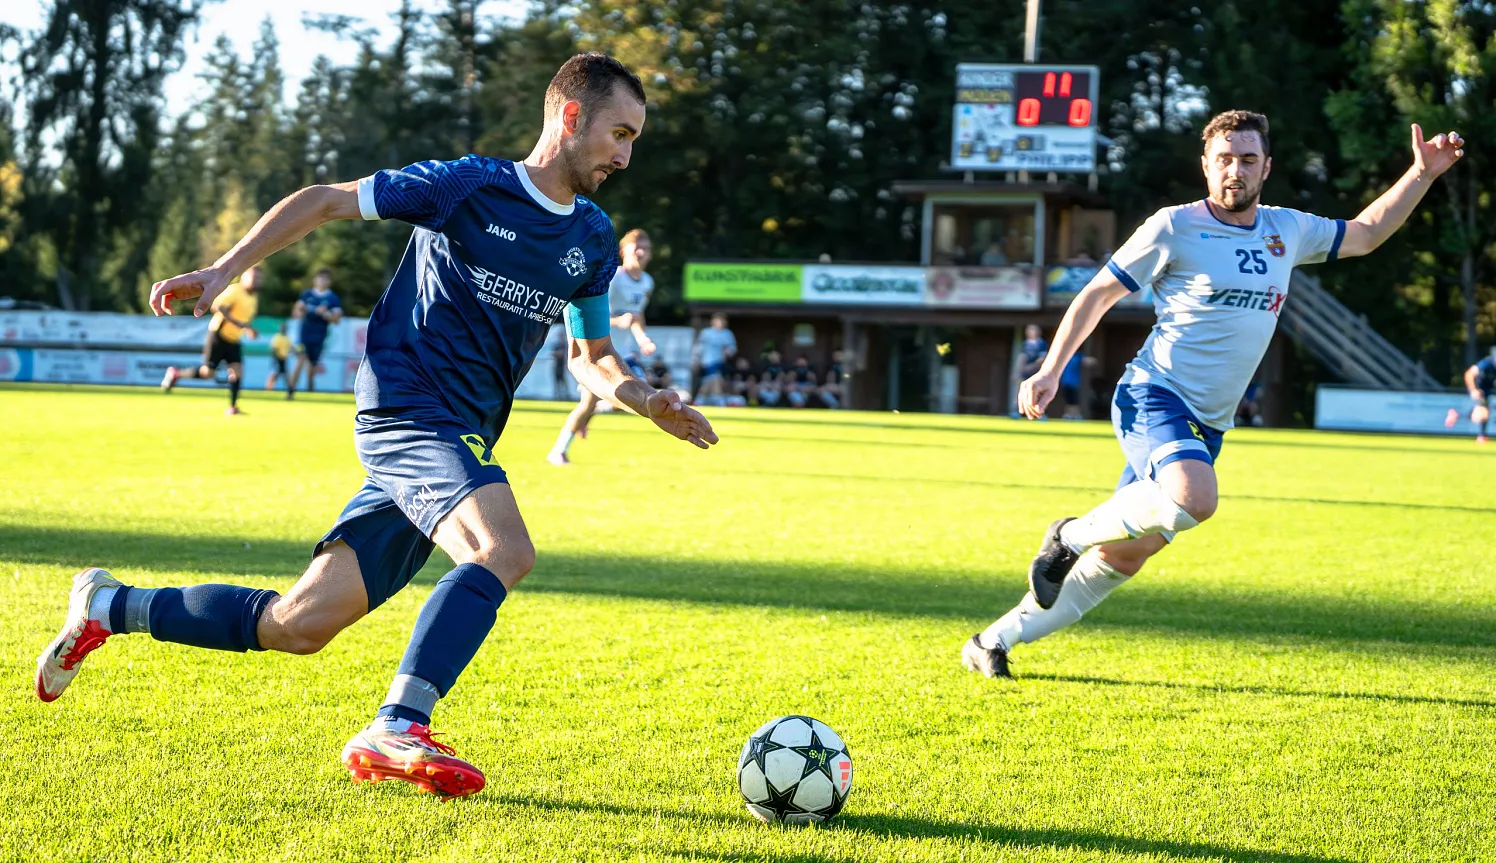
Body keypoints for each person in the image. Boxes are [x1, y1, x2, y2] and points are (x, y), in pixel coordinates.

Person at [36, 53, 718, 799]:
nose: (625, 155)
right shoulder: (470, 186)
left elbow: (593, 358)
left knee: (296, 624)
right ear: (572, 116)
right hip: (407, 410)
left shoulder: (590, 237)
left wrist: (648, 400)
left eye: (635, 140)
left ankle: (107, 605)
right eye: (619, 133)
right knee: (502, 548)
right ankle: (399, 721)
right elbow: (327, 200)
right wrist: (224, 270)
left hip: (457, 440)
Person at [962, 111, 1464, 679]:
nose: (1235, 170)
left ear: (1266, 167)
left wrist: (1421, 174)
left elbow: (1367, 233)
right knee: (1195, 499)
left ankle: (991, 640)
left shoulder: (1286, 229)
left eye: (1248, 159)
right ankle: (1067, 535)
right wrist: (1052, 368)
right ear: (1205, 165)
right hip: (1155, 393)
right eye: (1224, 158)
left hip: (1211, 422)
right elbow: (1098, 292)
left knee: (1125, 554)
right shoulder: (1172, 227)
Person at [548, 228, 655, 465]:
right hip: (597, 349)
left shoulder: (647, 282)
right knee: (591, 402)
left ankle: (589, 414)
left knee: (635, 396)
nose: (641, 251)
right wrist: (618, 321)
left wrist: (642, 339)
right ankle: (558, 450)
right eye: (636, 246)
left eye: (646, 248)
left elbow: (637, 316)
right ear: (623, 251)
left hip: (625, 350)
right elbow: (589, 313)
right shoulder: (613, 278)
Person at [160, 265, 263, 415]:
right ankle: (176, 373)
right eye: (253, 277)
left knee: (237, 372)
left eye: (259, 279)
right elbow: (218, 307)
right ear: (244, 277)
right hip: (218, 336)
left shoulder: (253, 298)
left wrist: (248, 329)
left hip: (234, 340)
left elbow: (244, 318)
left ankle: (233, 407)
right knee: (207, 373)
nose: (256, 281)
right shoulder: (235, 290)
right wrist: (241, 325)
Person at [290, 268, 344, 396]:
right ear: (315, 280)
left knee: (312, 366)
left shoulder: (332, 298)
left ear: (329, 282)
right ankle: (290, 390)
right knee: (301, 359)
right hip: (304, 335)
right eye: (320, 278)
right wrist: (302, 310)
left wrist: (325, 314)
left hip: (319, 336)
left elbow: (336, 319)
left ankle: (310, 390)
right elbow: (296, 313)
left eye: (325, 279)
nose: (322, 281)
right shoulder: (307, 295)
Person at [1446, 347, 1496, 444]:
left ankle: (1457, 415)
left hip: (1487, 391)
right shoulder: (1486, 363)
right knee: (1483, 413)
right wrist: (1473, 390)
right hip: (1478, 389)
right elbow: (1469, 374)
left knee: (1482, 414)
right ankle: (1481, 436)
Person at [691, 313, 737, 405]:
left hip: (719, 362)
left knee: (716, 379)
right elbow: (698, 347)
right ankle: (711, 398)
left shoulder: (727, 334)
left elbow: (732, 349)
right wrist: (695, 360)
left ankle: (705, 399)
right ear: (713, 321)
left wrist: (728, 351)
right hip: (706, 363)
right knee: (709, 380)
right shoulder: (706, 333)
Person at [1011, 324, 1047, 418]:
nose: (1030, 332)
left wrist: (1031, 366)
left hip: (1036, 373)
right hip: (1025, 373)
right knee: (1020, 391)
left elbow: (1042, 358)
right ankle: (1017, 411)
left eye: (1032, 330)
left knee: (1037, 392)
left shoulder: (1041, 344)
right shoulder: (1025, 344)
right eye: (1029, 330)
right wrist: (1017, 371)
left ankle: (1040, 413)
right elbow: (1021, 358)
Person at [265, 321, 294, 396]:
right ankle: (268, 389)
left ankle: (290, 391)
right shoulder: (277, 337)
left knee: (286, 375)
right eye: (283, 328)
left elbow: (291, 347)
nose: (284, 329)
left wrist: (297, 351)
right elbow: (274, 348)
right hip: (277, 359)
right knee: (274, 375)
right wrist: (275, 359)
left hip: (284, 359)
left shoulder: (287, 338)